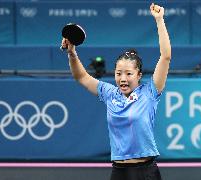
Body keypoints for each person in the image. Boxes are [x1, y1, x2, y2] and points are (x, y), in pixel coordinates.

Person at [61, 3, 171, 180]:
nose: (123, 78)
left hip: (146, 171)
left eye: (128, 73)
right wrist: (72, 53)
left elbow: (165, 56)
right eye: (119, 73)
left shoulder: (150, 92)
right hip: (119, 171)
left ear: (139, 75)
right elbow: (81, 77)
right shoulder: (110, 93)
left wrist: (159, 20)